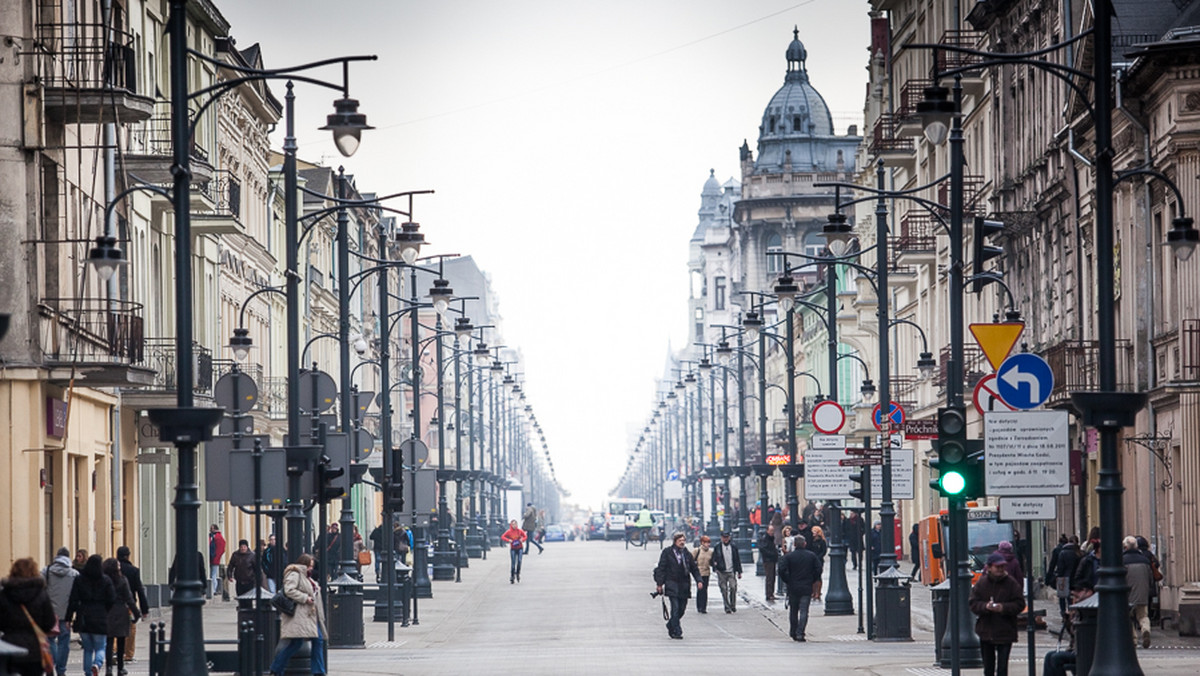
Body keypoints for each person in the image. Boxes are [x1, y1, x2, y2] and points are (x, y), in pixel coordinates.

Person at [268, 554, 326, 676]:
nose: (311, 568)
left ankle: (277, 668)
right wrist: (305, 598)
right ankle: (277, 668)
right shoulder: (294, 574)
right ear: (303, 564)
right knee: (302, 642)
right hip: (299, 615)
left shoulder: (306, 576)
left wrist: (315, 589)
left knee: (311, 641)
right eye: (309, 565)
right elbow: (289, 590)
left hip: (308, 615)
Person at [0, 557, 58, 676]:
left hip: (10, 647)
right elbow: (49, 622)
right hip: (35, 648)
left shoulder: (4, 594)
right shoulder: (41, 594)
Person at [969, 552, 1024, 676]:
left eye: (1002, 567)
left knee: (1002, 668)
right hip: (986, 631)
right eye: (997, 567)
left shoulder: (1011, 583)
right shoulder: (982, 583)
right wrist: (985, 607)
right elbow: (973, 603)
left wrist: (1003, 608)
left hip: (1005, 631)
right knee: (988, 668)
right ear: (989, 568)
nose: (1000, 569)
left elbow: (1020, 604)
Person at [66, 554, 115, 676]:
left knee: (87, 649)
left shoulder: (79, 579)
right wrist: (105, 609)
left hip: (84, 616)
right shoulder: (106, 580)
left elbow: (73, 599)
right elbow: (112, 598)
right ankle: (97, 664)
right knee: (101, 647)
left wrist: (69, 617)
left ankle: (88, 672)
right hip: (100, 616)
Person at [653, 532, 704, 640]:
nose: (682, 542)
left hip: (684, 585)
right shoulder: (667, 552)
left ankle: (671, 624)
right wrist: (659, 584)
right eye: (680, 540)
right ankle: (677, 630)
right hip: (672, 583)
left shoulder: (687, 554)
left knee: (682, 609)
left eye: (683, 540)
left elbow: (694, 569)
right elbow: (661, 568)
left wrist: (699, 580)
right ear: (675, 541)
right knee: (675, 608)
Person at [778, 535, 823, 642]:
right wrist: (813, 579)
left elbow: (781, 570)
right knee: (804, 611)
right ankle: (800, 632)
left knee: (793, 610)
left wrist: (787, 580)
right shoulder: (811, 556)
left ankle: (793, 631)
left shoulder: (789, 557)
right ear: (805, 544)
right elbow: (818, 569)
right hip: (806, 586)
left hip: (793, 586)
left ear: (794, 545)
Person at [44, 547, 79, 676]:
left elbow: (40, 590)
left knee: (50, 640)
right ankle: (61, 669)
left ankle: (51, 664)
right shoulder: (74, 574)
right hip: (66, 614)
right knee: (64, 642)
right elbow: (77, 595)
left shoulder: (46, 571)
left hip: (50, 613)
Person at [102, 557, 139, 676]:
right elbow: (129, 598)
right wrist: (136, 612)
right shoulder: (122, 580)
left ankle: (108, 668)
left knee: (108, 641)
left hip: (107, 611)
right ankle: (120, 667)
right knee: (121, 640)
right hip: (121, 611)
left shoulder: (103, 580)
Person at [115, 547, 148, 665]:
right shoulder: (133, 571)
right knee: (131, 628)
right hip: (129, 605)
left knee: (113, 627)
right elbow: (140, 590)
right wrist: (144, 609)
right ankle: (128, 654)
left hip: (113, 604)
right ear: (128, 556)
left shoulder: (110, 570)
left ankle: (114, 650)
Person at [1123, 535, 1154, 649]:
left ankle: (1133, 640)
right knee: (1143, 616)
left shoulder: (1123, 560)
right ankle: (1146, 630)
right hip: (1142, 593)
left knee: (1128, 617)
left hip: (1128, 595)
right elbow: (1151, 578)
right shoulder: (1145, 560)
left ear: (1125, 547)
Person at [710, 531, 742, 613]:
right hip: (721, 571)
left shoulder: (733, 546)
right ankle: (727, 607)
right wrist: (715, 568)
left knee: (733, 587)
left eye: (727, 537)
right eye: (724, 537)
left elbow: (737, 559)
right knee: (723, 589)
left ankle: (733, 604)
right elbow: (713, 558)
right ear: (721, 538)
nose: (726, 539)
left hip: (731, 570)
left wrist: (739, 571)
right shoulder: (717, 547)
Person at [1050, 535, 1080, 619]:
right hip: (1076, 579)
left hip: (1064, 578)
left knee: (1063, 598)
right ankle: (1072, 613)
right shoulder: (1079, 552)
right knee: (1072, 598)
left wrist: (1058, 577)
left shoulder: (1063, 553)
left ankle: (1064, 614)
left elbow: (1060, 568)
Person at [690, 535, 714, 614]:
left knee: (705, 590)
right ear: (702, 543)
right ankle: (699, 606)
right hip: (698, 573)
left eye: (709, 543)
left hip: (706, 573)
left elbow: (712, 562)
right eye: (706, 542)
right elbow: (690, 560)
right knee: (700, 589)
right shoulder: (697, 551)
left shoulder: (710, 552)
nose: (708, 544)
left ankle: (703, 607)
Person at [758, 524, 779, 603]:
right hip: (768, 560)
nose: (772, 532)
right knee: (769, 577)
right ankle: (769, 594)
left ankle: (771, 593)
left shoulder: (770, 538)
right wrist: (772, 554)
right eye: (771, 531)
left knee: (772, 577)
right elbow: (763, 549)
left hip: (771, 560)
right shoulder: (765, 539)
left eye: (773, 531)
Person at [208, 524, 226, 599]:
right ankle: (213, 589)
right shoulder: (217, 537)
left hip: (214, 558)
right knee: (213, 574)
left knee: (213, 574)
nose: (210, 530)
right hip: (215, 558)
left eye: (211, 528)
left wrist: (215, 556)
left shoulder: (216, 537)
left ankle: (213, 589)